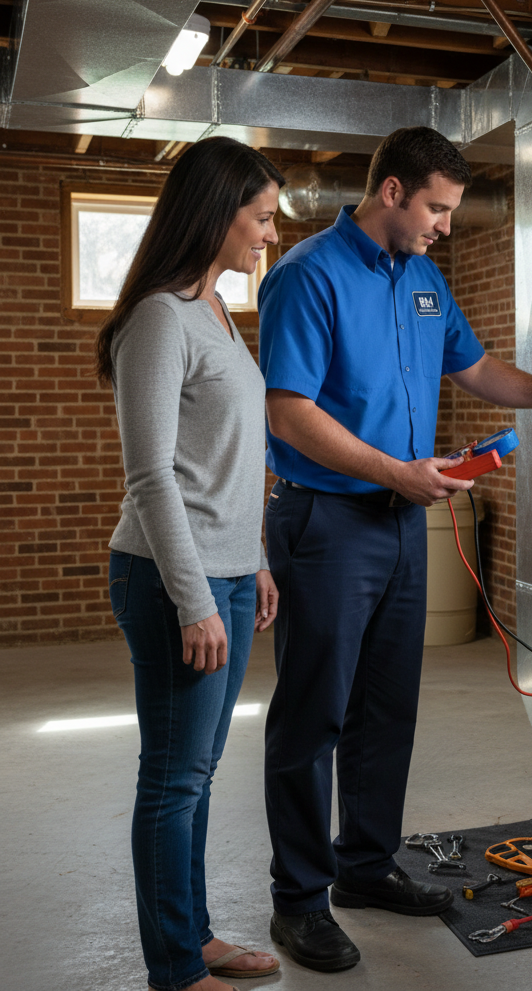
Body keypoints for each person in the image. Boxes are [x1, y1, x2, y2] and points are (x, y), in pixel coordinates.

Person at [258, 125, 532, 973]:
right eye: (436, 207)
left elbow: (477, 371)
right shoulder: (306, 275)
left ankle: (363, 866)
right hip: (326, 523)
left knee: (387, 709)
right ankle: (298, 900)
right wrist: (395, 469)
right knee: (313, 715)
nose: (444, 225)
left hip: (399, 521)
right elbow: (288, 412)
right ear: (391, 191)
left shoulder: (424, 282)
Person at [97, 137, 286, 991]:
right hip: (176, 580)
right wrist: (195, 599)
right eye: (260, 217)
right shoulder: (157, 321)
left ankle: (194, 934)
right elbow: (152, 476)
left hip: (231, 574)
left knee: (199, 775)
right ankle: (175, 969)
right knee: (173, 781)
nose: (268, 236)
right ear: (216, 212)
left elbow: (230, 463)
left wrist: (254, 565)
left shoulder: (215, 312)